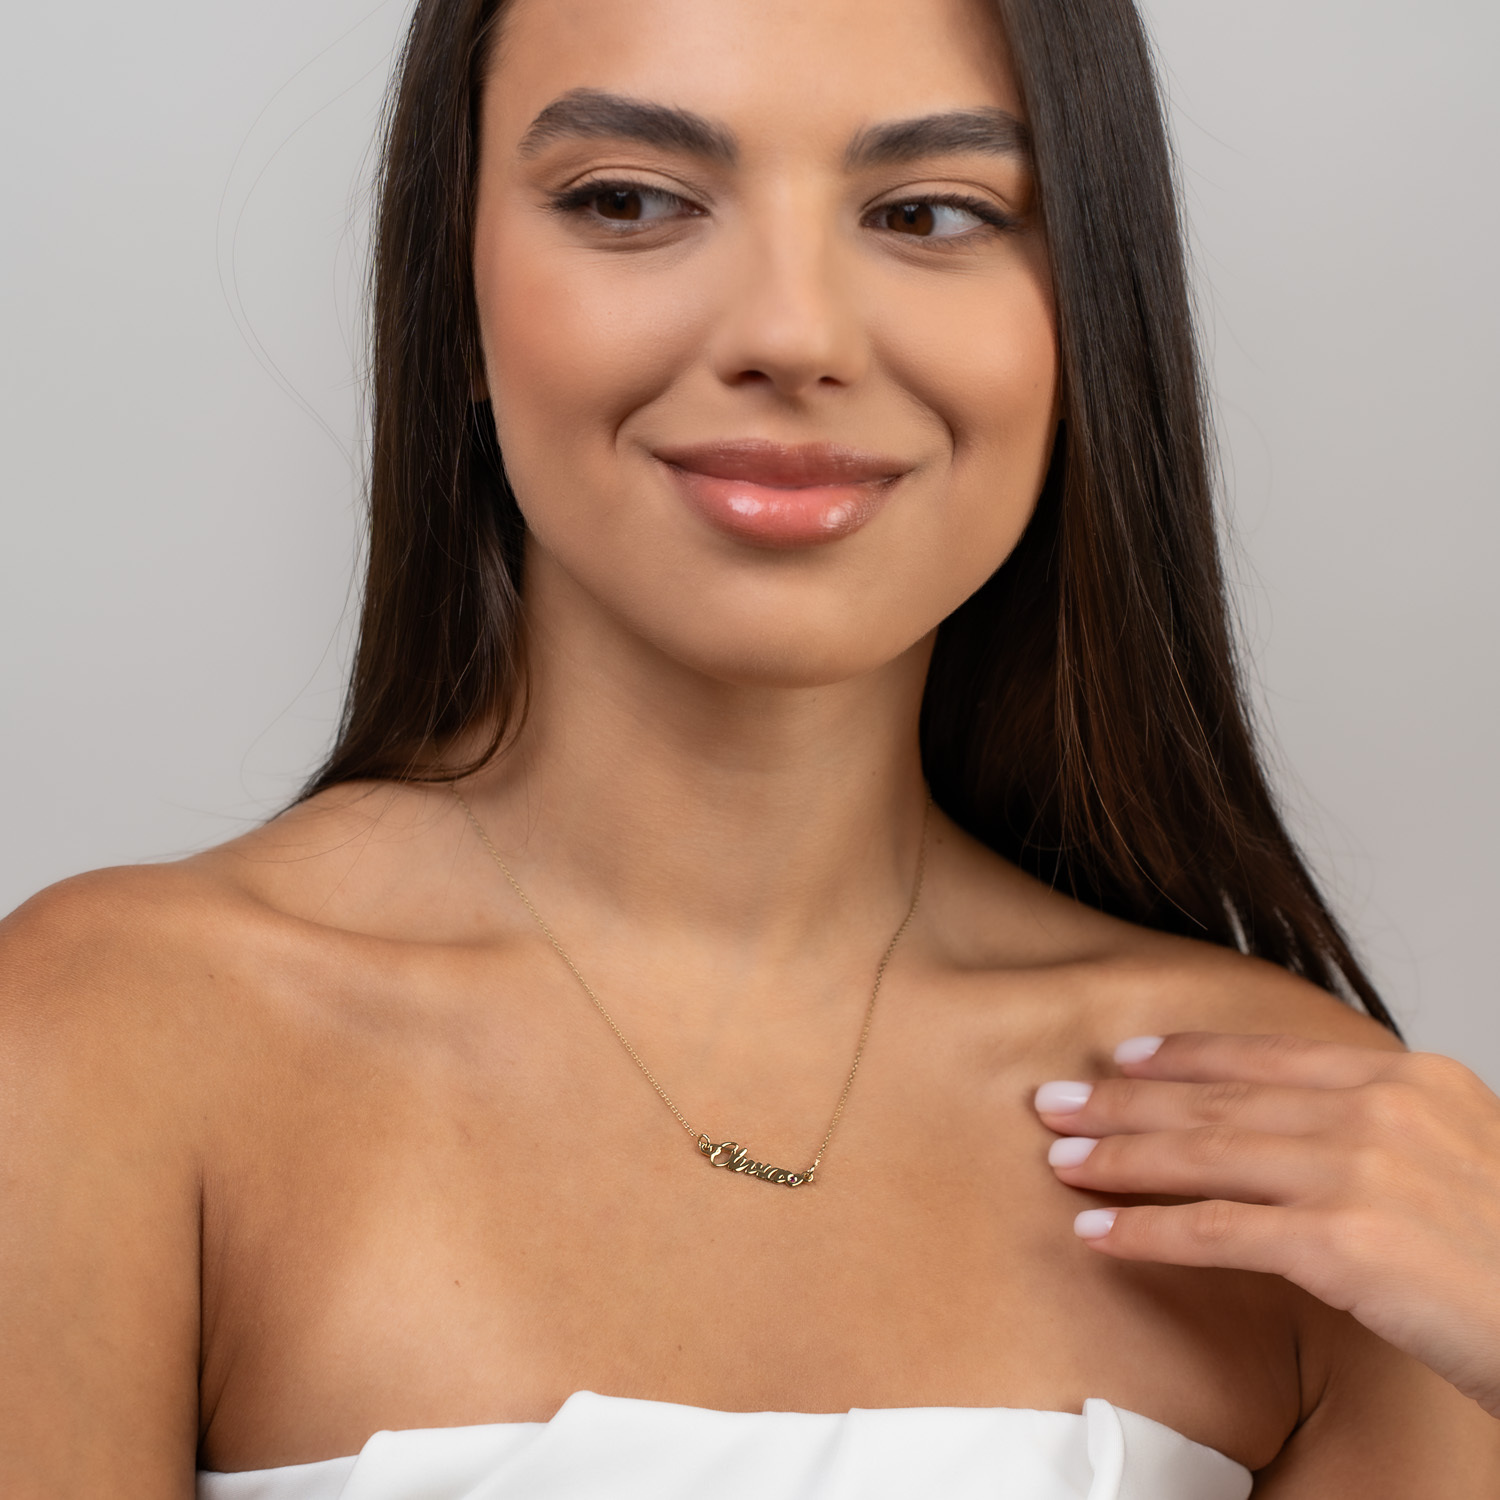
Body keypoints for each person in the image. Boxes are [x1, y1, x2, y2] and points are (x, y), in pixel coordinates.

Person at [1, 0, 1496, 1495]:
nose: (792, 335)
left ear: (1087, 306)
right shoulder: (112, 1045)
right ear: (455, 292)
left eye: (929, 213)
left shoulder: (1304, 1145)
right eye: (628, 201)